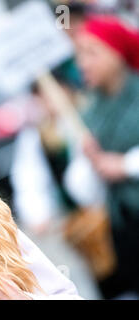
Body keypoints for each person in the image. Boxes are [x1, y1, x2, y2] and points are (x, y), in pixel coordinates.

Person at [73, 14, 139, 299]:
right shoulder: (88, 115)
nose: (82, 63)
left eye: (92, 52)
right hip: (125, 228)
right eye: (79, 54)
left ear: (117, 52)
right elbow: (85, 193)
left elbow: (120, 167)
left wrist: (124, 165)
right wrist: (90, 159)